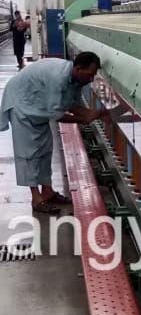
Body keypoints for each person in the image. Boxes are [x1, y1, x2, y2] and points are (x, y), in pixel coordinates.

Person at [0, 52, 108, 214]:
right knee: (29, 153)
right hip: (21, 103)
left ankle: (47, 191)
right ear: (79, 69)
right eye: (90, 75)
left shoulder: (76, 80)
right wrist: (83, 119)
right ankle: (36, 199)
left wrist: (91, 114)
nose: (91, 79)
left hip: (37, 105)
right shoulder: (58, 78)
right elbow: (56, 115)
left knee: (45, 149)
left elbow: (72, 104)